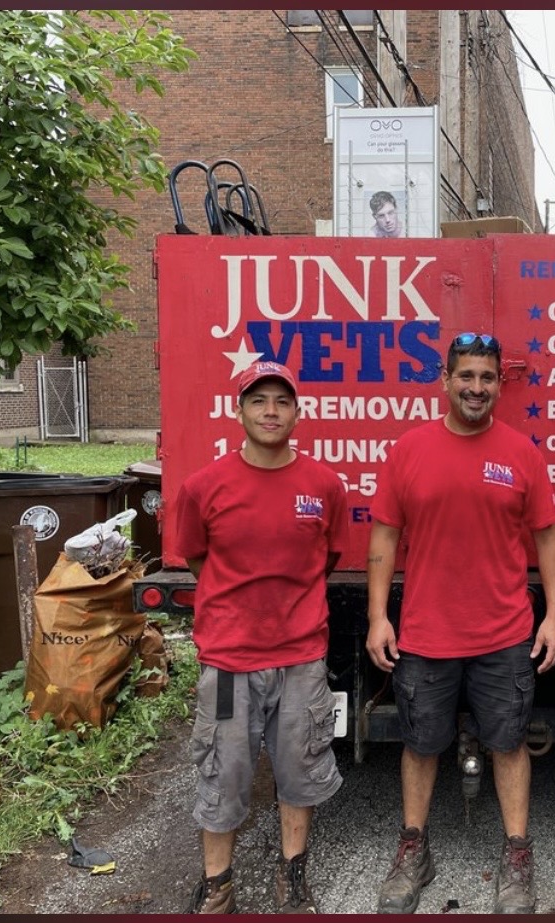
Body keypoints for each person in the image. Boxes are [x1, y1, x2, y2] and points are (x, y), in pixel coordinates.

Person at [366, 332, 555, 915]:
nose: (476, 388)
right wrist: (379, 616)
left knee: (508, 744)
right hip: (426, 633)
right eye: (466, 376)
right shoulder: (409, 450)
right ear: (445, 381)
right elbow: (384, 535)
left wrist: (553, 614)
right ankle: (412, 849)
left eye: (487, 378)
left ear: (499, 384)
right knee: (420, 744)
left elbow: (548, 537)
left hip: (504, 633)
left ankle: (517, 855)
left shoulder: (521, 453)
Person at [174, 359, 352, 914]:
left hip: (301, 655)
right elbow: (199, 558)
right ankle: (217, 884)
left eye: (281, 402)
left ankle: (291, 875)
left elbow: (328, 558)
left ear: (298, 413)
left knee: (300, 768)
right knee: (224, 772)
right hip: (229, 658)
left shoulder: (324, 485)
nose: (270, 412)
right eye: (258, 401)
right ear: (239, 411)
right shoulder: (203, 487)